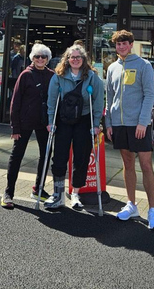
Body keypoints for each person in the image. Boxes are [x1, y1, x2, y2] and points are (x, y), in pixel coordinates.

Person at [105, 30, 154, 230]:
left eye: (124, 43)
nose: (121, 47)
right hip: (119, 125)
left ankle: (152, 210)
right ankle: (132, 204)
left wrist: (143, 122)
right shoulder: (112, 68)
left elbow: (149, 96)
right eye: (118, 44)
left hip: (139, 124)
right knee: (127, 164)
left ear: (131, 44)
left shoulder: (144, 65)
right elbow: (110, 97)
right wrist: (109, 123)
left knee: (146, 165)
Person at [44, 45, 104, 210]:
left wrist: (96, 123)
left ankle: (75, 194)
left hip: (84, 120)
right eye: (72, 57)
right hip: (63, 120)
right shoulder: (59, 77)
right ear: (67, 59)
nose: (75, 60)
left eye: (79, 57)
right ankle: (58, 194)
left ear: (84, 60)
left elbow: (98, 102)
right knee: (60, 156)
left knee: (81, 158)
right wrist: (51, 121)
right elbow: (52, 100)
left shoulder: (92, 78)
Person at [1, 43, 54, 209]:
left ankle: (39, 188)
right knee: (17, 156)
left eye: (43, 57)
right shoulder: (25, 75)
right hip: (24, 121)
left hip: (43, 122)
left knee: (45, 156)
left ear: (47, 59)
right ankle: (8, 192)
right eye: (37, 56)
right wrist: (14, 127)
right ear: (32, 58)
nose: (40, 59)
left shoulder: (52, 75)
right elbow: (15, 102)